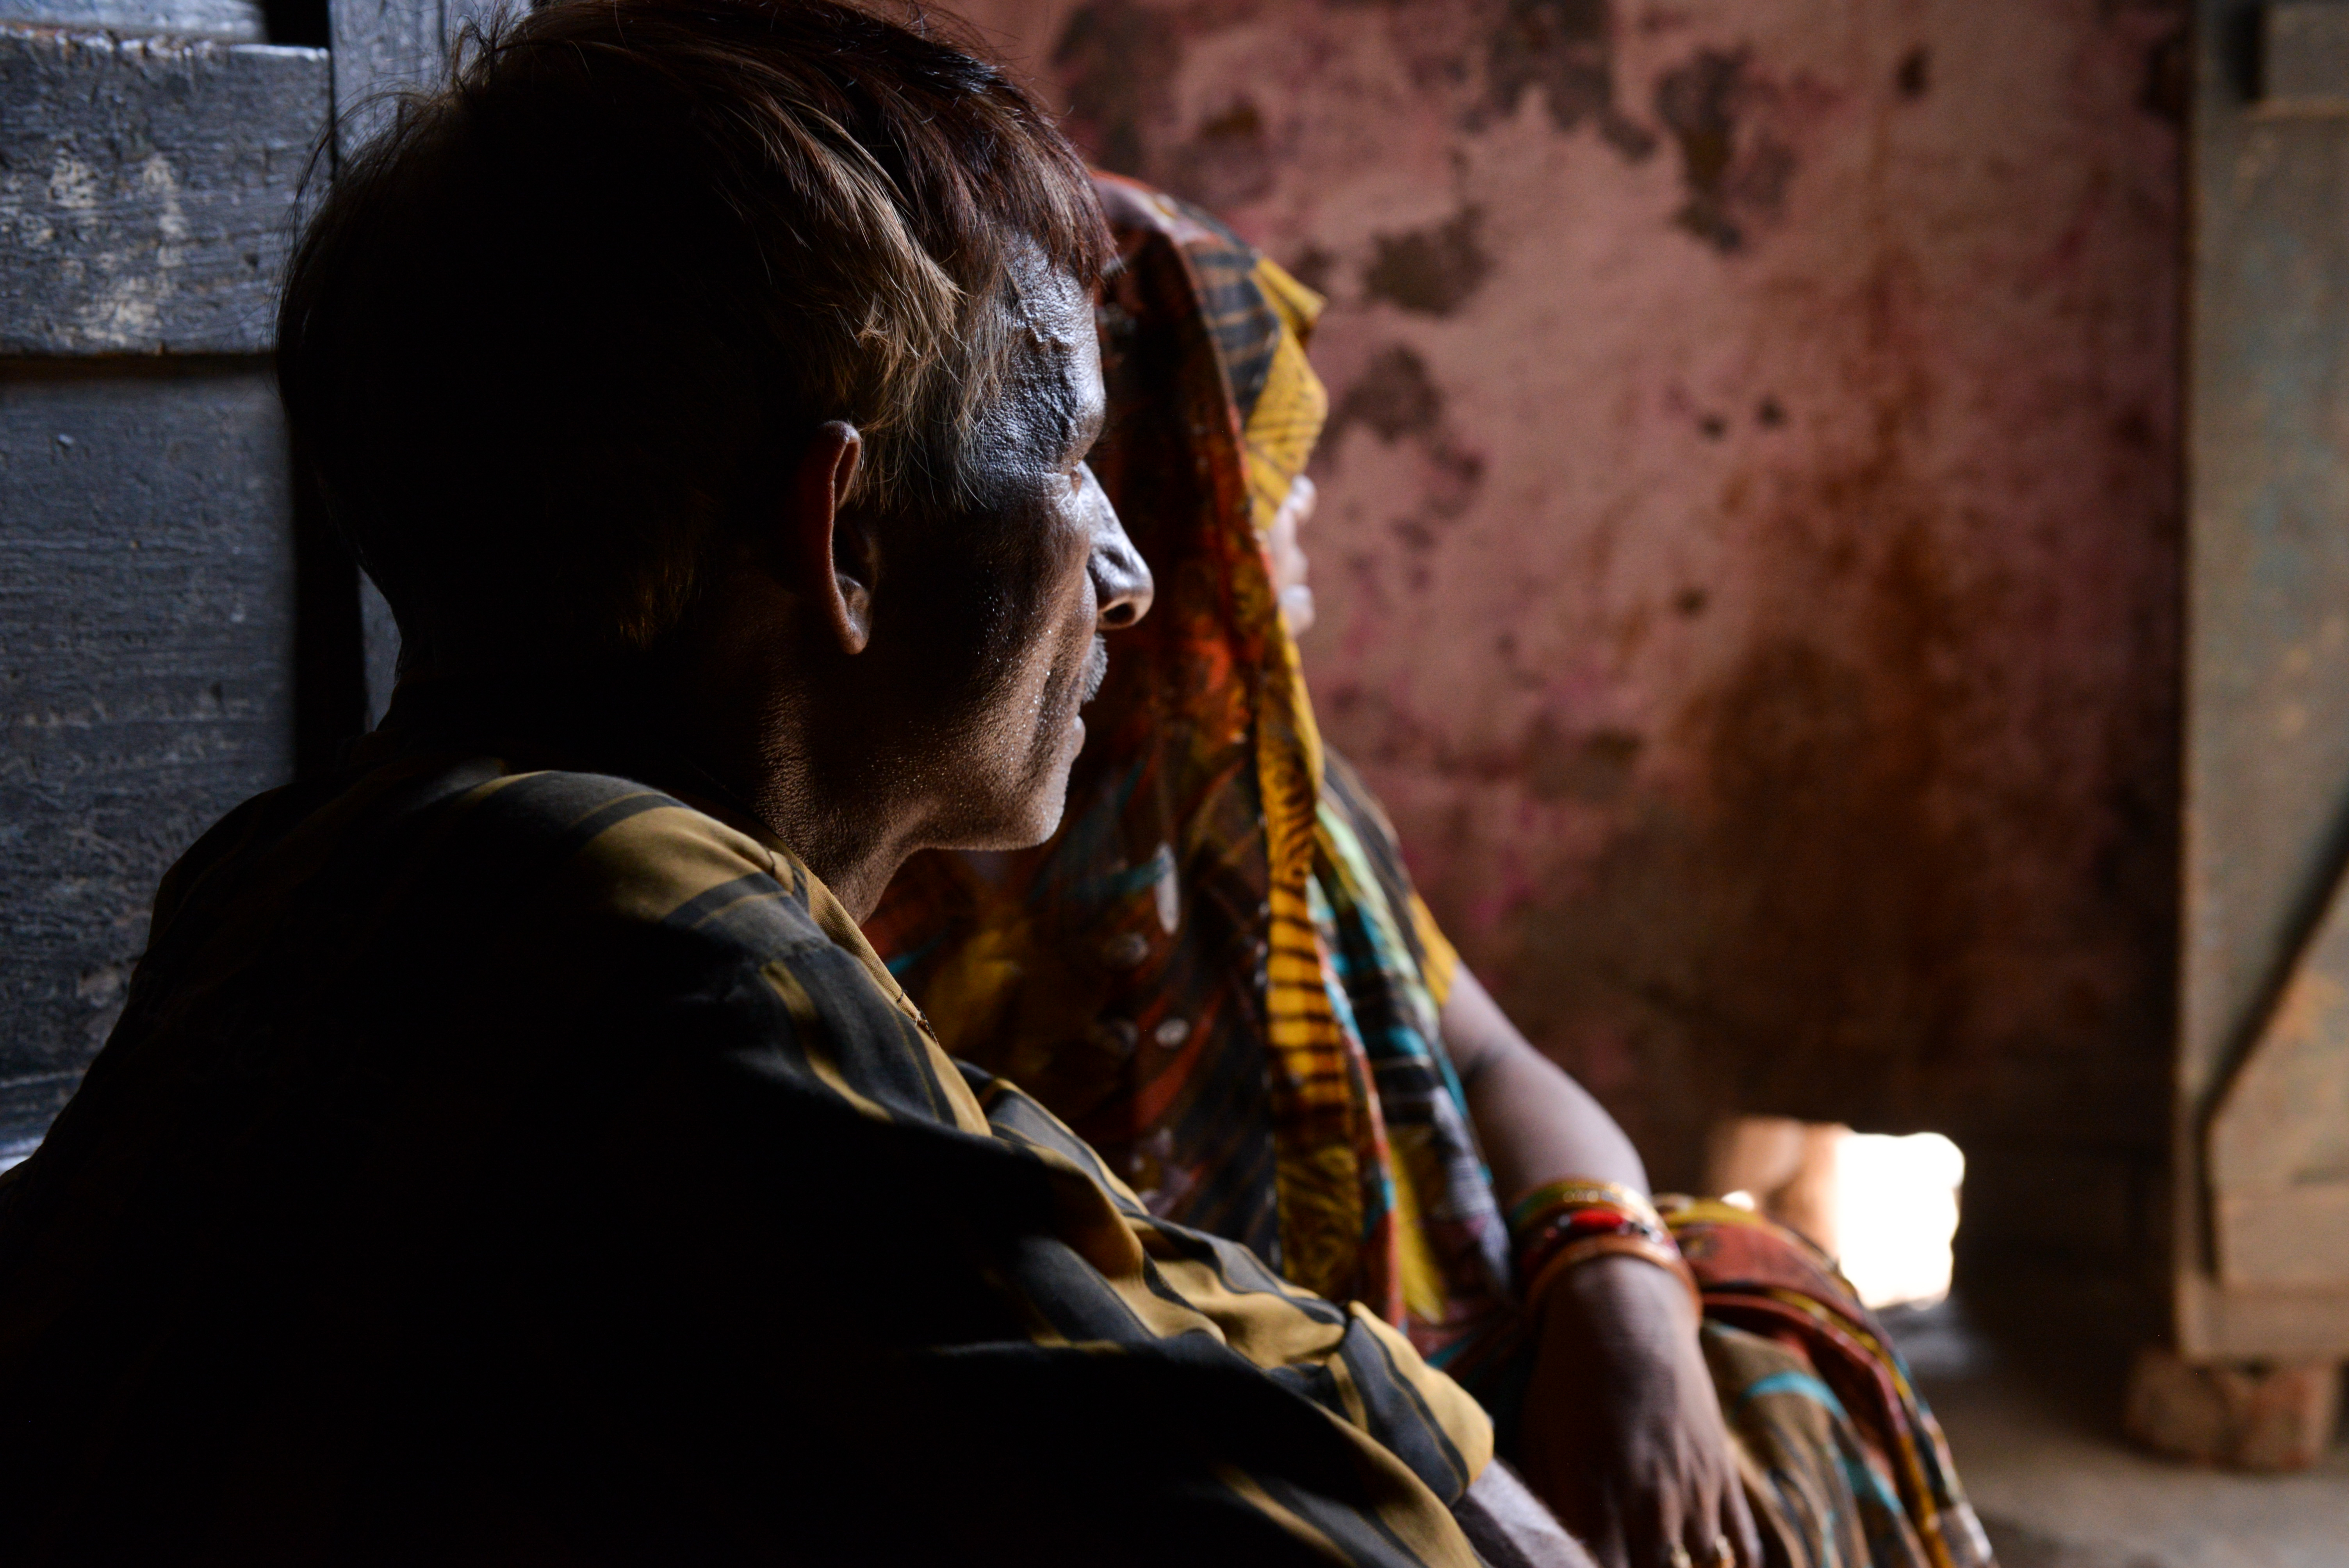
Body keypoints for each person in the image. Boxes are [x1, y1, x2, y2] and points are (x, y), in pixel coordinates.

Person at [0, 5, 1576, 1561]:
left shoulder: (316, 860)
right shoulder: (649, 943)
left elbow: (1103, 1244)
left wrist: (1441, 1426)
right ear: (847, 538)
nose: (1130, 574)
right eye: (1073, 462)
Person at [866, 180, 1997, 1568]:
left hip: (1401, 1356)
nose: (1305, 506)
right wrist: (1466, 1476)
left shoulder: (1268, 796)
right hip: (1213, 1429)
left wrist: (1622, 1302)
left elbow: (1499, 1066)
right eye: (1262, 474)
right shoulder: (902, 879)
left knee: (1756, 1329)